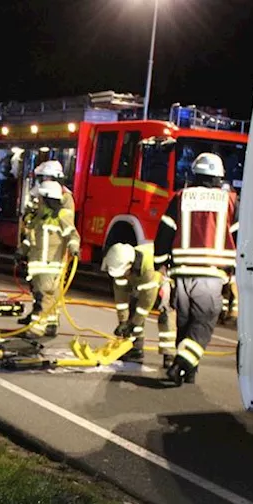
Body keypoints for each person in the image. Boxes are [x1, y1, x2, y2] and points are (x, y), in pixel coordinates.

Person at [153, 152, 239, 385]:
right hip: (211, 274)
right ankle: (180, 364)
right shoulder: (230, 201)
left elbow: (165, 232)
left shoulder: (180, 197)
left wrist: (160, 264)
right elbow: (239, 237)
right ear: (218, 177)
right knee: (202, 324)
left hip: (180, 273)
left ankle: (188, 372)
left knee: (185, 322)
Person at [16, 160, 77, 338]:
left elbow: (68, 228)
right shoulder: (46, 199)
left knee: (48, 290)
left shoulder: (64, 199)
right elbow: (34, 218)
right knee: (43, 289)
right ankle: (47, 320)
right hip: (39, 250)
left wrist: (73, 246)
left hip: (52, 253)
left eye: (44, 177)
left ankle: (42, 323)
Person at [101, 242, 172, 363]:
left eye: (124, 273)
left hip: (165, 279)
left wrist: (133, 324)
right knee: (133, 308)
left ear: (130, 265)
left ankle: (170, 353)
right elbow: (121, 298)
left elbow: (146, 302)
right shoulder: (120, 263)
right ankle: (135, 347)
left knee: (167, 314)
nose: (122, 276)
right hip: (143, 283)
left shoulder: (148, 267)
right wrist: (123, 322)